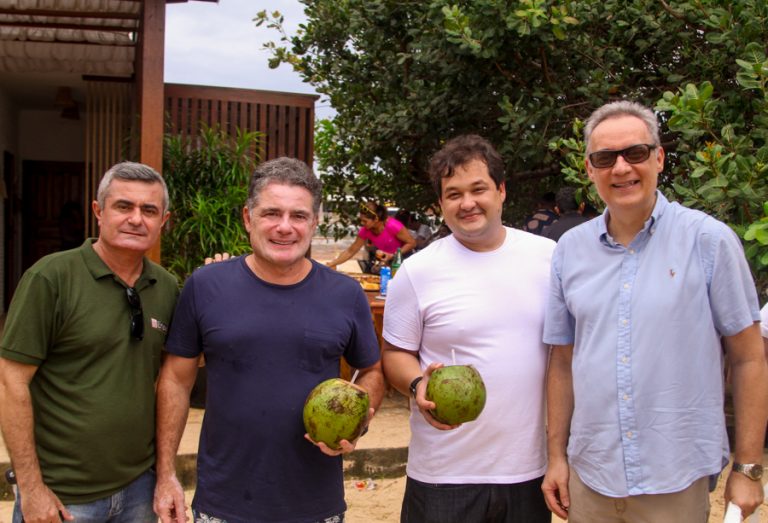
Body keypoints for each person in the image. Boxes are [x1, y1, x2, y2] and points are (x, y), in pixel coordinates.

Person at [542, 100, 768, 522]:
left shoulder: (709, 242)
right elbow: (562, 361)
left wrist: (748, 468)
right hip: (591, 477)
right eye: (605, 158)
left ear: (659, 158)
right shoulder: (569, 251)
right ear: (589, 170)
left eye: (636, 153)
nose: (621, 168)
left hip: (675, 478)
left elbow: (749, 356)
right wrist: (556, 456)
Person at [153, 157, 385, 523]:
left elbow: (370, 371)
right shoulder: (206, 285)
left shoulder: (345, 294)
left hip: (315, 505)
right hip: (223, 505)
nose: (284, 227)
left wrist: (357, 424)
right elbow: (176, 380)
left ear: (314, 222)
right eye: (271, 213)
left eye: (298, 216)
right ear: (248, 218)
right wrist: (165, 473)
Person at [382, 134, 555, 523]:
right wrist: (416, 385)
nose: (467, 203)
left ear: (502, 191)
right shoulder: (418, 271)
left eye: (478, 189)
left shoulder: (548, 259)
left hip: (527, 470)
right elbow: (395, 353)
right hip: (444, 472)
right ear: (441, 203)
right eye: (453, 194)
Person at [0, 162, 177, 523]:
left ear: (164, 221)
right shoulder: (51, 278)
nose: (136, 219)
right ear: (99, 211)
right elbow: (10, 382)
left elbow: (183, 368)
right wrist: (31, 488)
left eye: (149, 210)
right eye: (123, 206)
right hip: (63, 495)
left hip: (139, 488)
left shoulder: (166, 287)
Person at [326, 201, 416, 272]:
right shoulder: (365, 230)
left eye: (365, 221)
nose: (362, 223)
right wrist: (332, 263)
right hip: (389, 262)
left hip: (405, 261)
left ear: (376, 219)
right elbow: (351, 251)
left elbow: (412, 243)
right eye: (361, 220)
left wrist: (393, 255)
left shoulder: (393, 225)